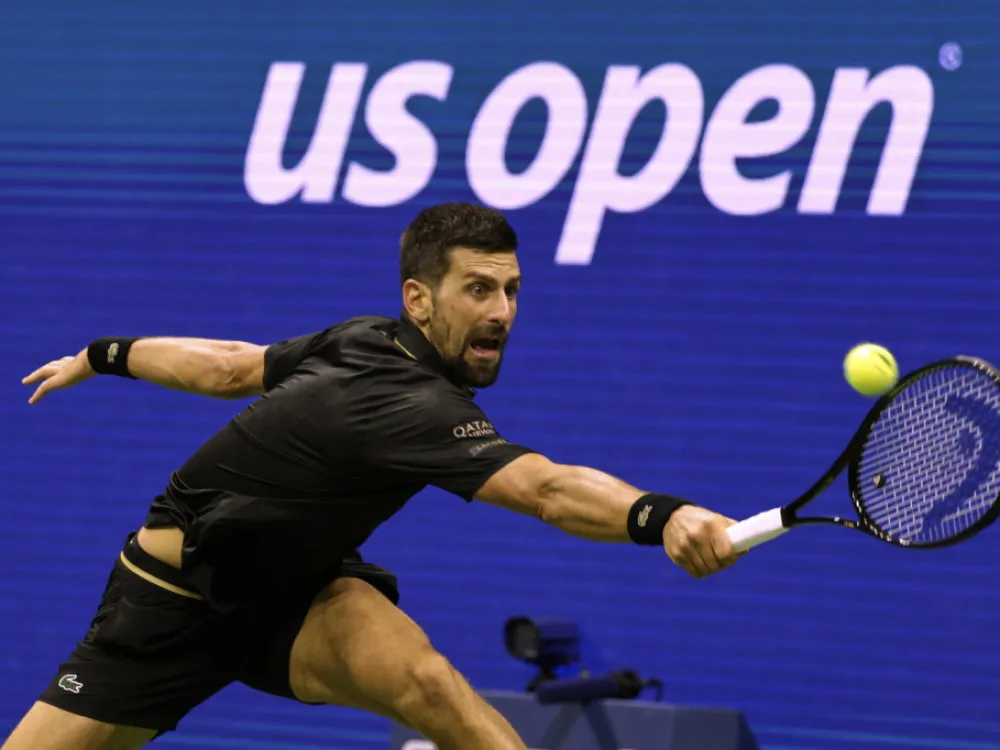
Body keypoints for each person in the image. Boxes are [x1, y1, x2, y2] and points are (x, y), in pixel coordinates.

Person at [5, 203, 742, 750]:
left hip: (298, 594)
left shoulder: (367, 340)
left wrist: (105, 353)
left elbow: (231, 367)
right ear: (419, 300)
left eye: (512, 290)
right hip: (168, 607)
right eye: (478, 291)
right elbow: (546, 490)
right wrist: (665, 516)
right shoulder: (406, 396)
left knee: (429, 685)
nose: (503, 312)